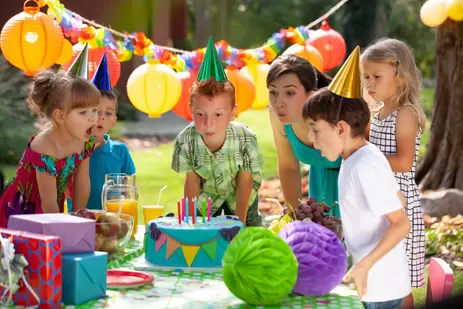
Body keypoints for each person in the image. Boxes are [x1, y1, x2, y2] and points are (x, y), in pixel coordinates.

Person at [303, 46, 411, 309]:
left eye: (315, 130)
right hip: (371, 282)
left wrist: (363, 266)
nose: (310, 138)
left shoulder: (365, 164)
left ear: (341, 128)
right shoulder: (357, 158)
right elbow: (398, 201)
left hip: (380, 287)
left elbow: (401, 223)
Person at [171, 37, 264, 227]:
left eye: (218, 114)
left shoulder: (245, 138)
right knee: (204, 236)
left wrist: (240, 223)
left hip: (242, 197)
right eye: (200, 114)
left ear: (233, 113)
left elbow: (245, 180)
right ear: (191, 110)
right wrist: (191, 223)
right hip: (207, 196)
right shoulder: (186, 141)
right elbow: (192, 181)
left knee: (250, 232)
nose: (209, 123)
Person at [361, 38, 426, 308]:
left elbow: (403, 162)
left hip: (399, 202)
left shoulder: (405, 114)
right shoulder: (378, 112)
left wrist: (365, 158)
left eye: (377, 76)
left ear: (399, 77)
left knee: (400, 281)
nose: (370, 83)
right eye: (366, 77)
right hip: (379, 201)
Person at [0, 69, 99, 228]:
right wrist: (66, 230)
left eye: (95, 109)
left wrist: (80, 220)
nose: (94, 117)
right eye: (83, 112)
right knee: (31, 249)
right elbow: (48, 202)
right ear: (60, 116)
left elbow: (82, 184)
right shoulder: (44, 147)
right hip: (24, 208)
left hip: (52, 209)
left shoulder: (83, 142)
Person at [266, 54, 342, 217]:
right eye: (273, 92)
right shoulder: (278, 117)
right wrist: (295, 214)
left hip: (354, 190)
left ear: (311, 94)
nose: (279, 102)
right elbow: (288, 166)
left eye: (290, 93)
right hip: (319, 189)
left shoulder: (336, 113)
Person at [84, 54, 135, 210]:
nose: (101, 117)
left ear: (114, 121)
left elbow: (129, 190)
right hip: (82, 218)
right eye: (96, 111)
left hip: (113, 220)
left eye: (108, 113)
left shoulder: (120, 151)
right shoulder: (75, 150)